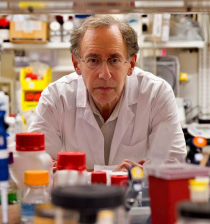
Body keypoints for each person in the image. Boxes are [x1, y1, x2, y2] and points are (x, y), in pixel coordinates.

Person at [28, 15, 186, 171]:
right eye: (93, 60)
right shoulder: (56, 97)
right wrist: (116, 175)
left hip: (134, 196)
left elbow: (172, 165)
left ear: (131, 64)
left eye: (114, 60)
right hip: (77, 197)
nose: (104, 74)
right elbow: (37, 166)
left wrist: (77, 172)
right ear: (77, 64)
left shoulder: (156, 94)